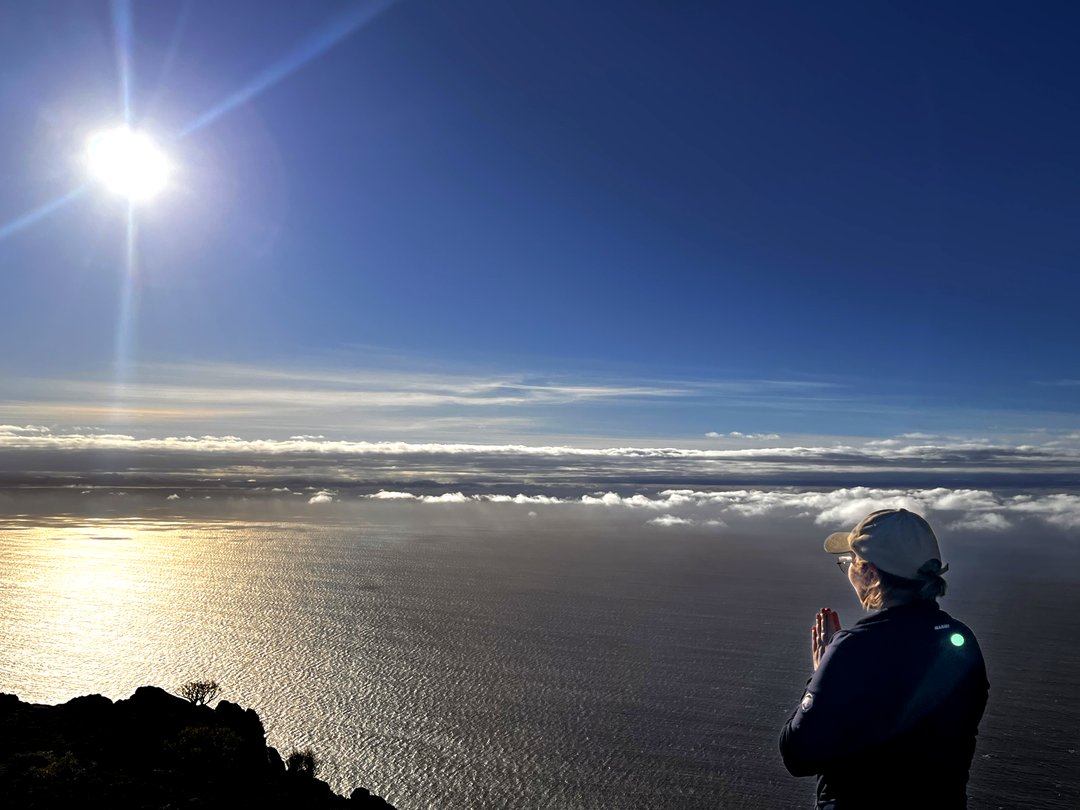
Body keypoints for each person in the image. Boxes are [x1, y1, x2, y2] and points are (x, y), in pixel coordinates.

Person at [779, 508, 989, 809]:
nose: (848, 569)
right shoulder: (961, 641)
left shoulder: (854, 648)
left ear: (871, 574)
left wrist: (820, 671)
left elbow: (797, 755)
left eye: (851, 561)